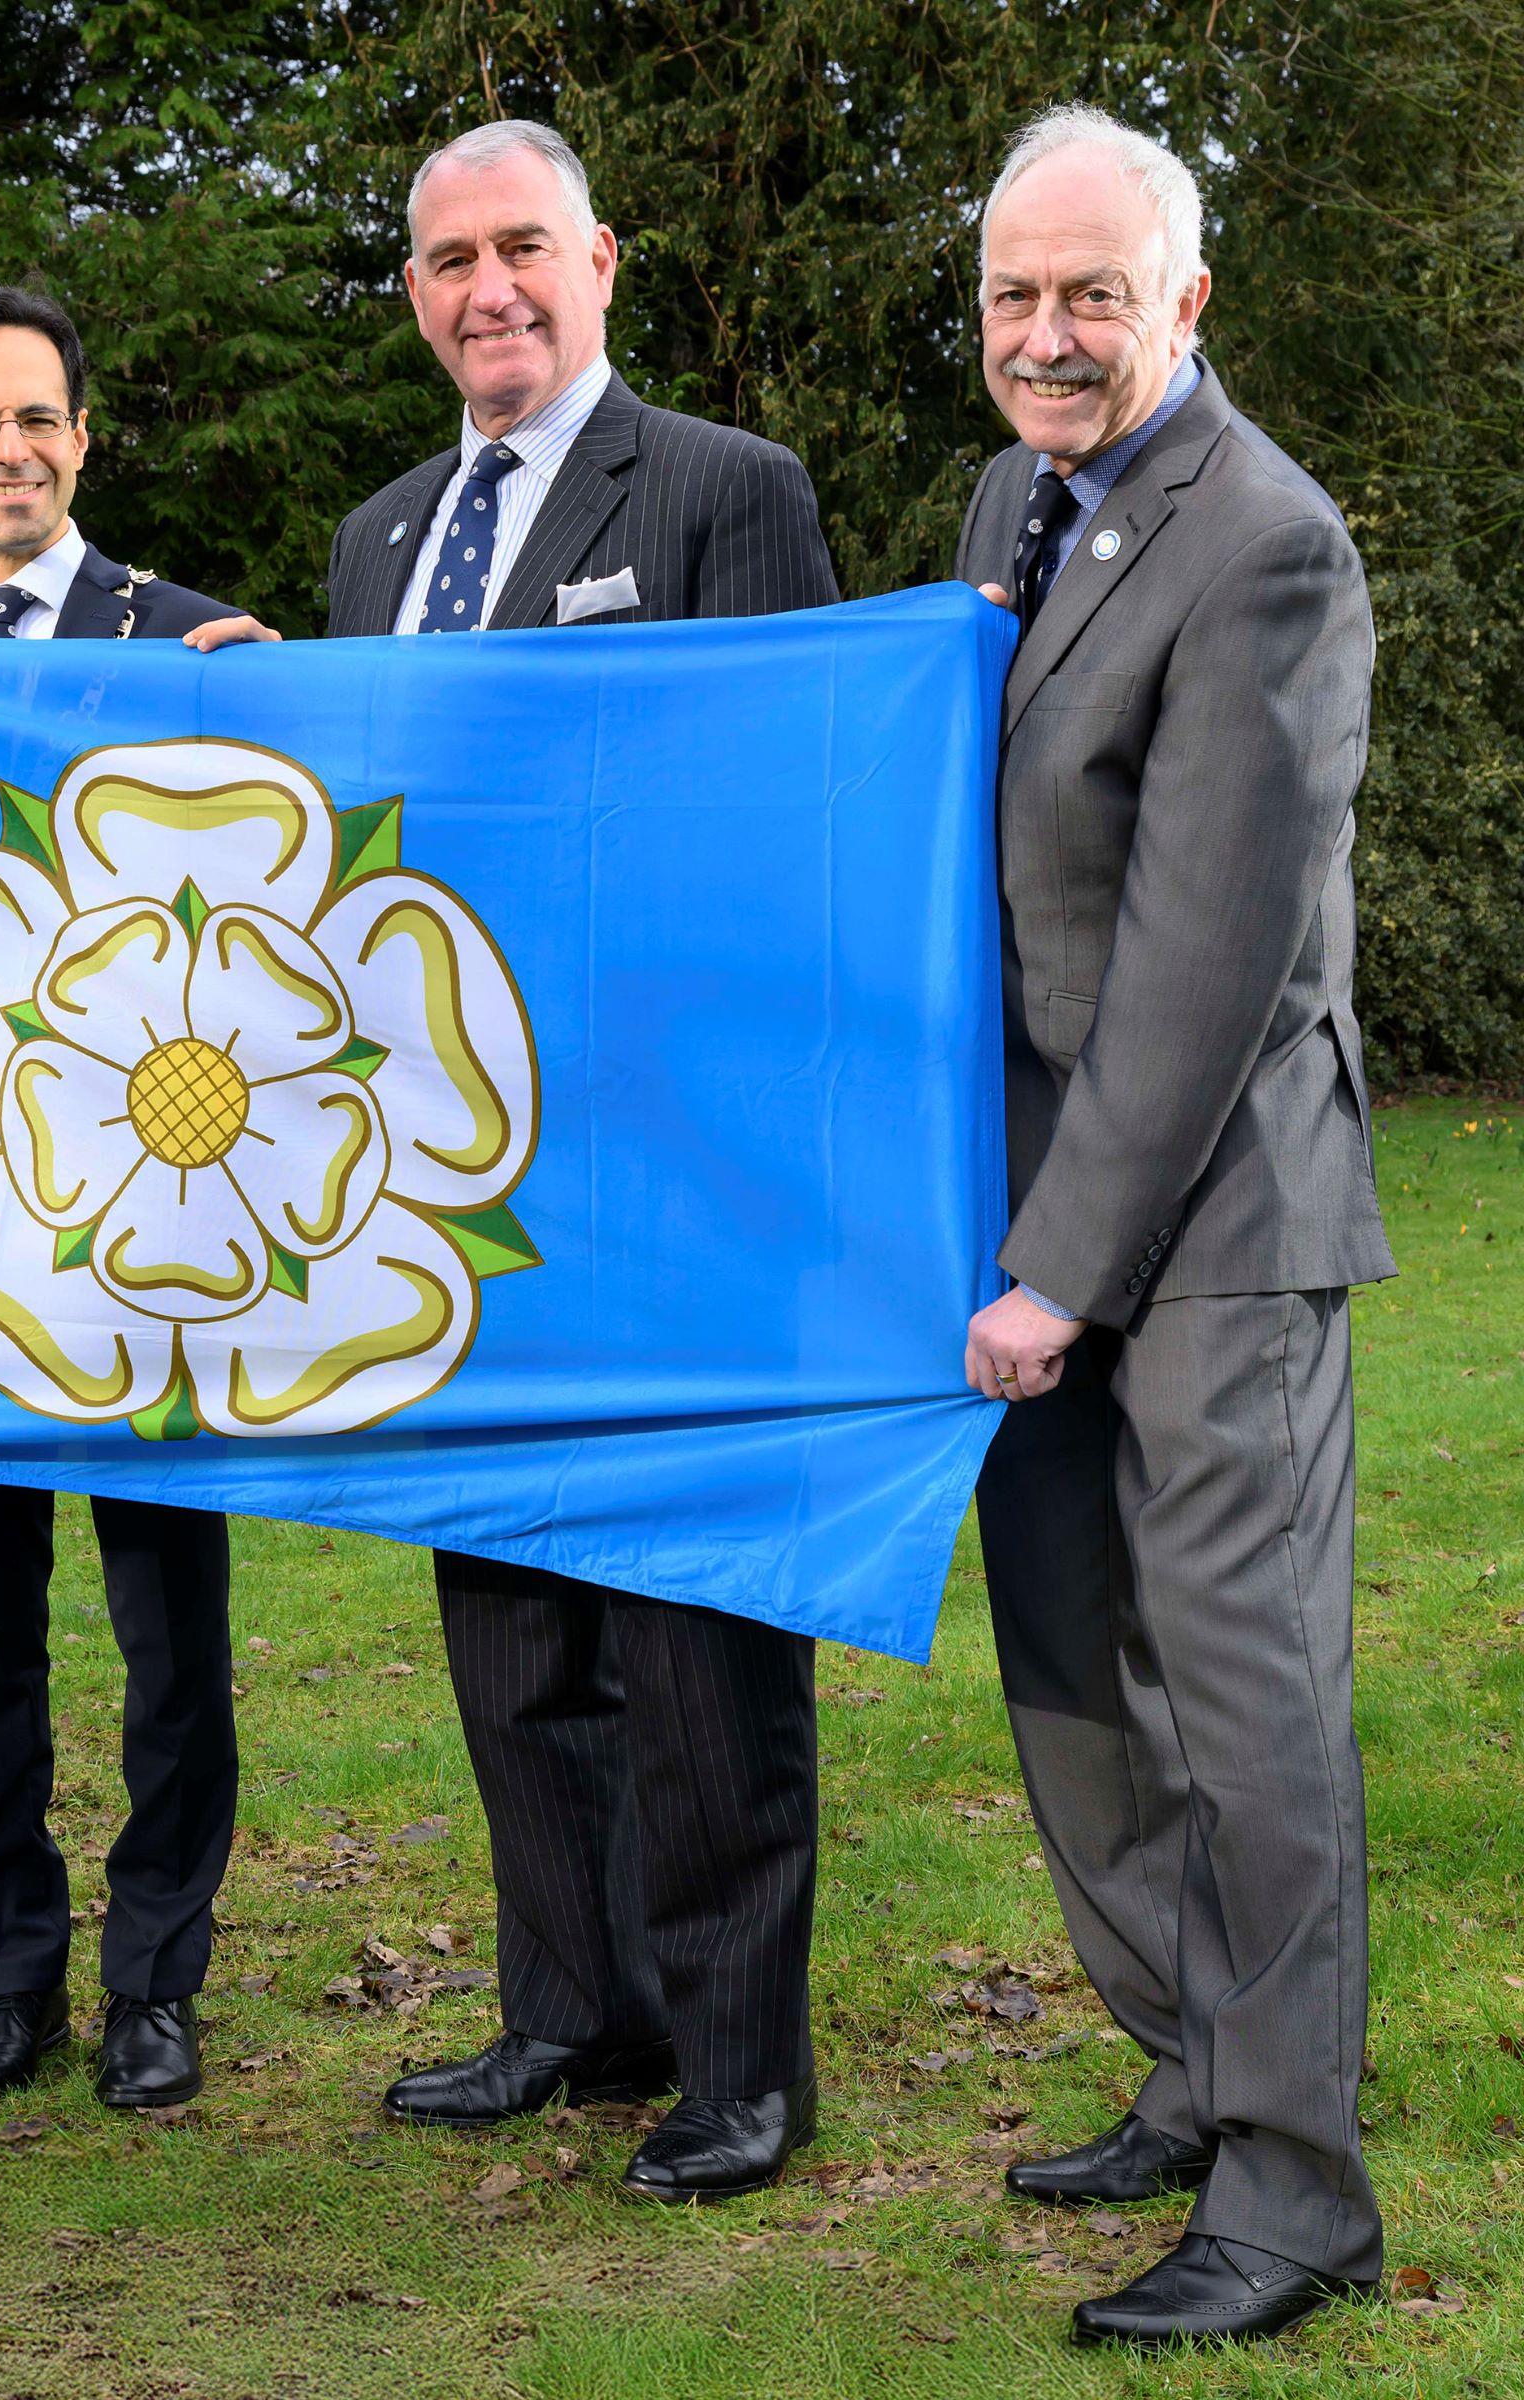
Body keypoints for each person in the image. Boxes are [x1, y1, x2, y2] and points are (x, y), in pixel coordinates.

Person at [329, 121, 843, 2202]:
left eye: (520, 248)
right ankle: (577, 2005)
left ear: (601, 259)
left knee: (695, 1628)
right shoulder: (375, 545)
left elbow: (787, 817)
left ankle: (740, 2061)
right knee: (516, 1617)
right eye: (448, 261)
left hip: (678, 1165)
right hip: (454, 1174)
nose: (487, 292)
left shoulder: (727, 492)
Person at [955, 105, 1391, 2347]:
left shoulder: (1268, 548)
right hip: (1036, 1215)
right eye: (1016, 295)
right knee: (1074, 1687)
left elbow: (1208, 963)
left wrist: (1060, 1269)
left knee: (1242, 1715)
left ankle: (1298, 2192)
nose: (1046, 335)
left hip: (1214, 1225)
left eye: (1092, 296)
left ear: (1186, 300)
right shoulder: (1018, 502)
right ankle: (1197, 2071)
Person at [0, 285, 266, 2111]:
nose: (10, 450)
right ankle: (6, 1974)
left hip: (168, 1218)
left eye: (39, 417)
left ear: (83, 438)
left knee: (167, 1637)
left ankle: (156, 1979)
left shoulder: (199, 641)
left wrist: (283, 702)